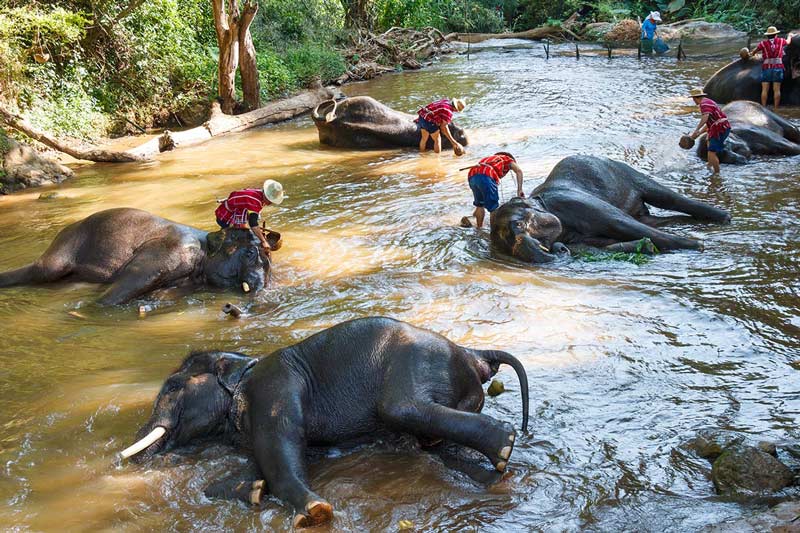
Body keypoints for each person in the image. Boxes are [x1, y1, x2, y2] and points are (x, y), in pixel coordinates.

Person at [215, 179, 285, 252]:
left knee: (245, 230)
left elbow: (240, 195)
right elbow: (253, 224)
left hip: (233, 210)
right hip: (225, 217)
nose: (271, 203)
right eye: (270, 201)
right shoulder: (255, 202)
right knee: (234, 242)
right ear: (265, 195)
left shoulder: (258, 192)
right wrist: (264, 241)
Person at [464, 152, 524, 229]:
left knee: (479, 205)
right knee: (493, 208)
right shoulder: (508, 159)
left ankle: (479, 229)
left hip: (472, 174)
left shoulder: (489, 159)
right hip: (487, 175)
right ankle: (493, 232)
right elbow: (519, 171)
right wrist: (520, 189)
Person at [748, 26, 794, 109]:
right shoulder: (781, 41)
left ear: (767, 36)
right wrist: (790, 36)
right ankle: (776, 108)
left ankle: (764, 108)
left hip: (766, 68)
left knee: (765, 90)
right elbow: (788, 42)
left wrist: (751, 54)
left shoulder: (763, 44)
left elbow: (754, 52)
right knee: (777, 90)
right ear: (776, 35)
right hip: (778, 68)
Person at [688, 89, 731, 176]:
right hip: (721, 127)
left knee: (712, 152)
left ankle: (717, 174)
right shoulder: (708, 101)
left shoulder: (704, 104)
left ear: (695, 98)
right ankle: (709, 165)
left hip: (719, 129)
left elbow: (705, 117)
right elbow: (709, 123)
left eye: (693, 99)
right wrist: (699, 133)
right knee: (709, 143)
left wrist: (697, 129)